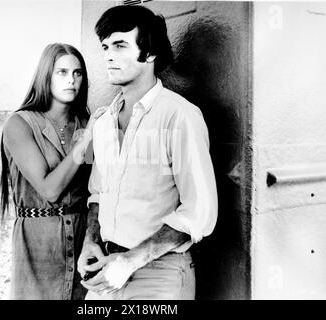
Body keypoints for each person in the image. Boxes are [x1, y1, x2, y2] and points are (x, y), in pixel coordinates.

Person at [77, 5, 218, 300]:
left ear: (150, 53)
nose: (108, 56)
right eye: (105, 47)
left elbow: (198, 213)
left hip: (160, 274)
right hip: (106, 268)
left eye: (120, 45)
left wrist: (131, 260)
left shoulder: (179, 116)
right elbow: (98, 194)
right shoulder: (104, 122)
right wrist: (90, 242)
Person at [0, 43, 107, 300]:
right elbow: (50, 189)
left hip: (83, 237)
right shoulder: (19, 123)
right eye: (62, 72)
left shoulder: (84, 123)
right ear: (45, 75)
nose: (71, 80)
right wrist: (87, 138)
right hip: (38, 240)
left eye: (78, 73)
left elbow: (96, 186)